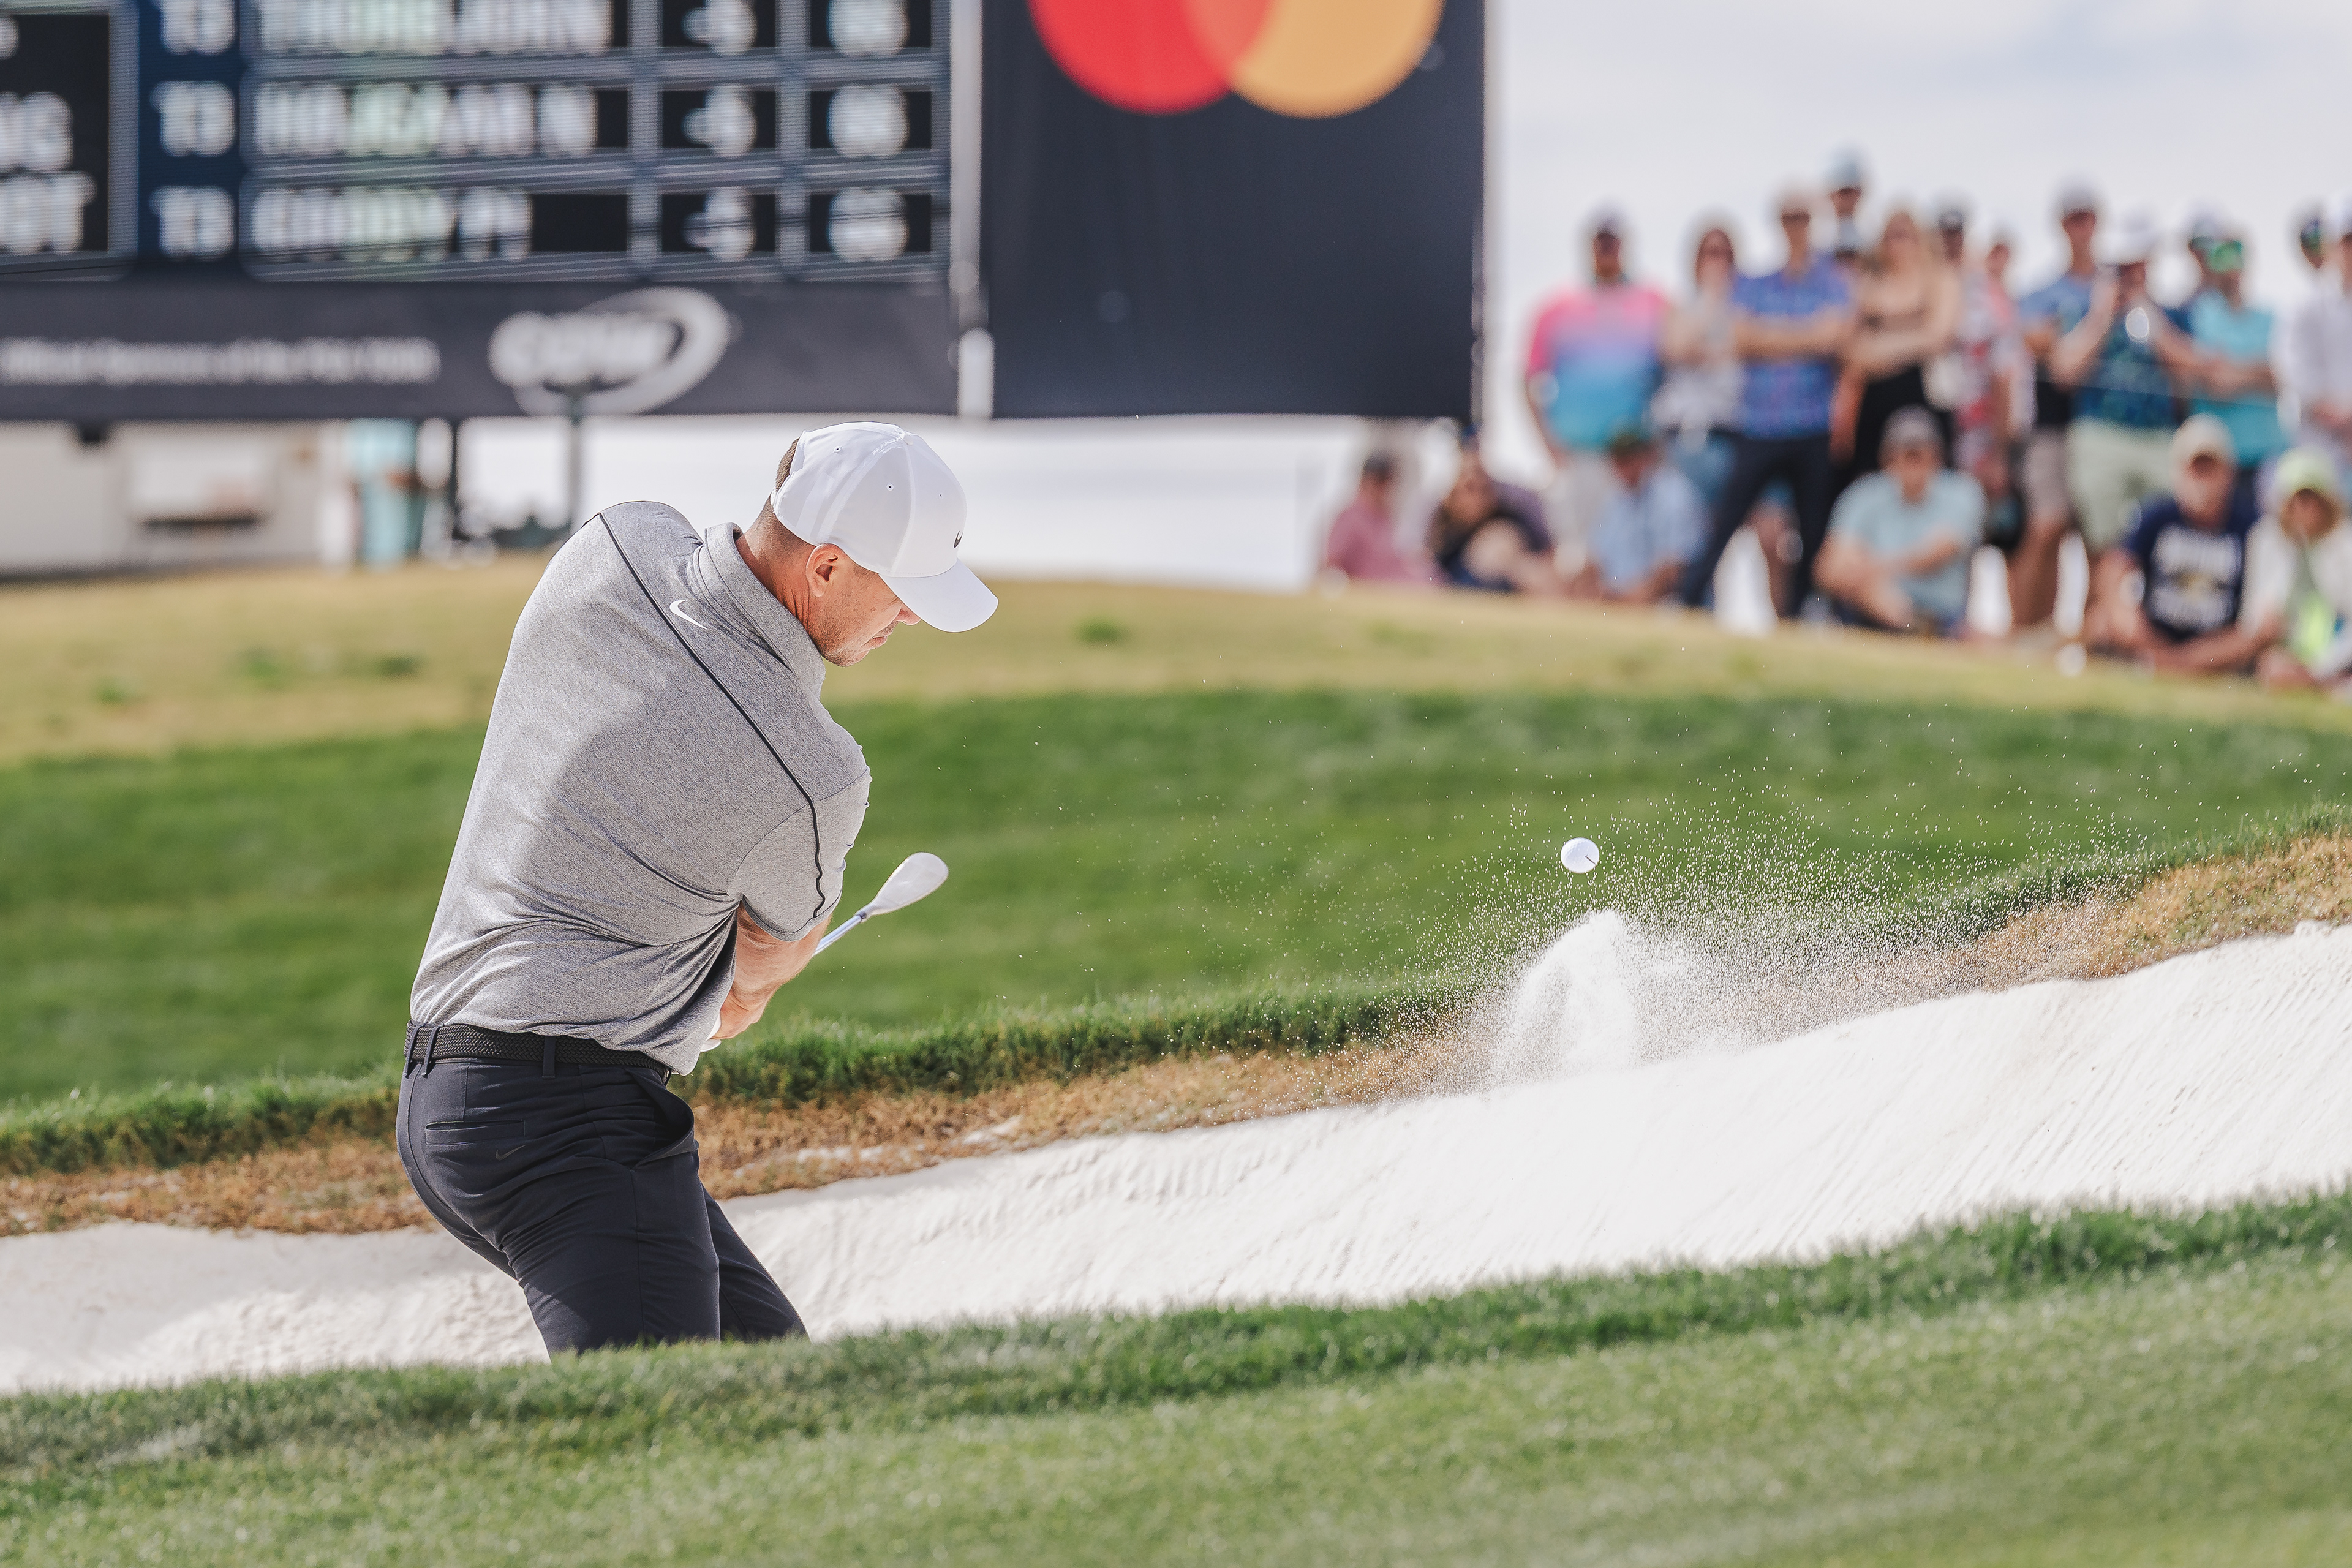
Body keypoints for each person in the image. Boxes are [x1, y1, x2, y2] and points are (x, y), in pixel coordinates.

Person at [399, 422, 998, 1354]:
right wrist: (737, 998)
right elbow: (763, 962)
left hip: (446, 1092)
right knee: (664, 1446)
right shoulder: (814, 773)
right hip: (565, 1123)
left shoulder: (609, 545)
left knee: (769, 1385)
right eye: (905, 593)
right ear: (829, 566)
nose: (912, 619)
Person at [1677, 184, 1854, 617]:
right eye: (1788, 216)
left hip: (1813, 424)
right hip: (1760, 424)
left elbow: (1839, 336)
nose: (1796, 225)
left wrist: (1772, 336)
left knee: (1810, 528)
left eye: (1803, 216)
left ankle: (1801, 616)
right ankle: (1686, 602)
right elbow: (1743, 337)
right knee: (1726, 521)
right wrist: (1809, 336)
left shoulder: (1835, 280)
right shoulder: (1756, 283)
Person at [1523, 207, 1670, 567]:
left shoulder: (1655, 303)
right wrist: (1548, 445)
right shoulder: (1555, 309)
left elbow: (1673, 378)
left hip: (1634, 459)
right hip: (1577, 456)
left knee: (1632, 562)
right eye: (1600, 242)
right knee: (1578, 555)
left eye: (1613, 242)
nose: (1607, 250)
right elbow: (1529, 379)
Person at [2052, 213, 2199, 572]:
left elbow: (2189, 369)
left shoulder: (2170, 313)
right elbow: (2064, 371)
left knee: (2166, 536)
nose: (2132, 272)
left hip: (2159, 438)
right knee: (2102, 541)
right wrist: (2102, 315)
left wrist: (2149, 314)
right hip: (2100, 434)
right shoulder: (2085, 309)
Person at [2086, 414, 2269, 674]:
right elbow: (2114, 567)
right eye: (2195, 469)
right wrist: (2124, 612)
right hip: (2157, 636)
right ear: (2179, 472)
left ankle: (2183, 666)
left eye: (2210, 469)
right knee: (2101, 622)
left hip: (2219, 644)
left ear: (2228, 473)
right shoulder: (2157, 515)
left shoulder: (2251, 526)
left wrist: (2192, 658)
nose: (2202, 481)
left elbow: (2264, 614)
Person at [2010, 183, 2103, 628]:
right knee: (2046, 527)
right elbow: (2041, 346)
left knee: (2095, 540)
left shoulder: (2115, 286)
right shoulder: (2042, 290)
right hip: (2051, 429)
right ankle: (2027, 635)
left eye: (2087, 217)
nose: (2081, 227)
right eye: (2073, 218)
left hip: (2100, 428)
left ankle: (2082, 645)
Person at [1814, 407, 1985, 634]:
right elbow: (1828, 568)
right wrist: (1869, 584)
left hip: (1941, 619)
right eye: (1905, 455)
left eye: (1920, 455)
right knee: (1873, 592)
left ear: (1938, 457)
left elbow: (1937, 554)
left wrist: (1872, 569)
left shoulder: (1963, 492)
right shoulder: (1864, 494)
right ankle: (1908, 625)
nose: (1912, 466)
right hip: (1867, 612)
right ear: (1887, 458)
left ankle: (1913, 625)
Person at [1833, 206, 1961, 498]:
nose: (1899, 243)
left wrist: (1878, 347)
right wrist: (1911, 343)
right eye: (1892, 235)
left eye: (1906, 235)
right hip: (1873, 407)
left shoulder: (1941, 279)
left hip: (1926, 399)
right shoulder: (1868, 285)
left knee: (1929, 487)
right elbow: (1850, 351)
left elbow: (1938, 338)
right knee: (1872, 488)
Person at [2184, 227, 2285, 515]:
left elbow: (2283, 377)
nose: (2229, 266)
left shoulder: (2271, 317)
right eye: (2220, 257)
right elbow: (2217, 383)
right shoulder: (2197, 315)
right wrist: (2258, 370)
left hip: (2268, 453)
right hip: (2218, 460)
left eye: (2235, 254)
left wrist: (2234, 370)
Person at [1650, 221, 1743, 508]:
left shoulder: (1747, 309)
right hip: (1687, 441)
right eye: (1710, 253)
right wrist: (1712, 298)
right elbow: (1677, 348)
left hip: (1734, 438)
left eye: (1725, 254)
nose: (1718, 262)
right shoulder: (1681, 308)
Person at [2244, 447, 2352, 692]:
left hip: (2338, 665)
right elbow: (2251, 617)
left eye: (2314, 498)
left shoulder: (2347, 545)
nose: (2306, 507)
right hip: (2281, 657)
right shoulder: (2265, 540)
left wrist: (2317, 671)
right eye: (2298, 499)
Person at [2275, 193, 2352, 492]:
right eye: (2347, 240)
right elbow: (2302, 386)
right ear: (2329, 246)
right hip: (2321, 462)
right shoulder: (2302, 307)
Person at [1576, 428, 1707, 603]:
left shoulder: (1674, 494)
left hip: (1668, 604)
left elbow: (1675, 569)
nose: (1623, 467)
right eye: (1618, 460)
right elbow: (1595, 560)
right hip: (1618, 602)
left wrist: (1625, 601)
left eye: (1629, 458)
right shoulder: (1616, 500)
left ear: (1647, 456)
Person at [1428, 435, 1564, 594]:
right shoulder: (1443, 534)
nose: (1477, 495)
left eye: (1484, 486)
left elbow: (1547, 554)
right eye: (1469, 488)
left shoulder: (1511, 519)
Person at [1322, 453, 1438, 586]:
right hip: (1373, 591)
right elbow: (1333, 564)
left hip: (1398, 586)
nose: (1384, 489)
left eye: (1387, 483)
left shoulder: (1383, 516)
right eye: (1379, 482)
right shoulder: (1349, 518)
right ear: (1364, 481)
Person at [1825, 149, 1868, 274]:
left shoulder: (1875, 246)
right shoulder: (1819, 247)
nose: (1843, 199)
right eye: (1841, 192)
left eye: (1848, 192)